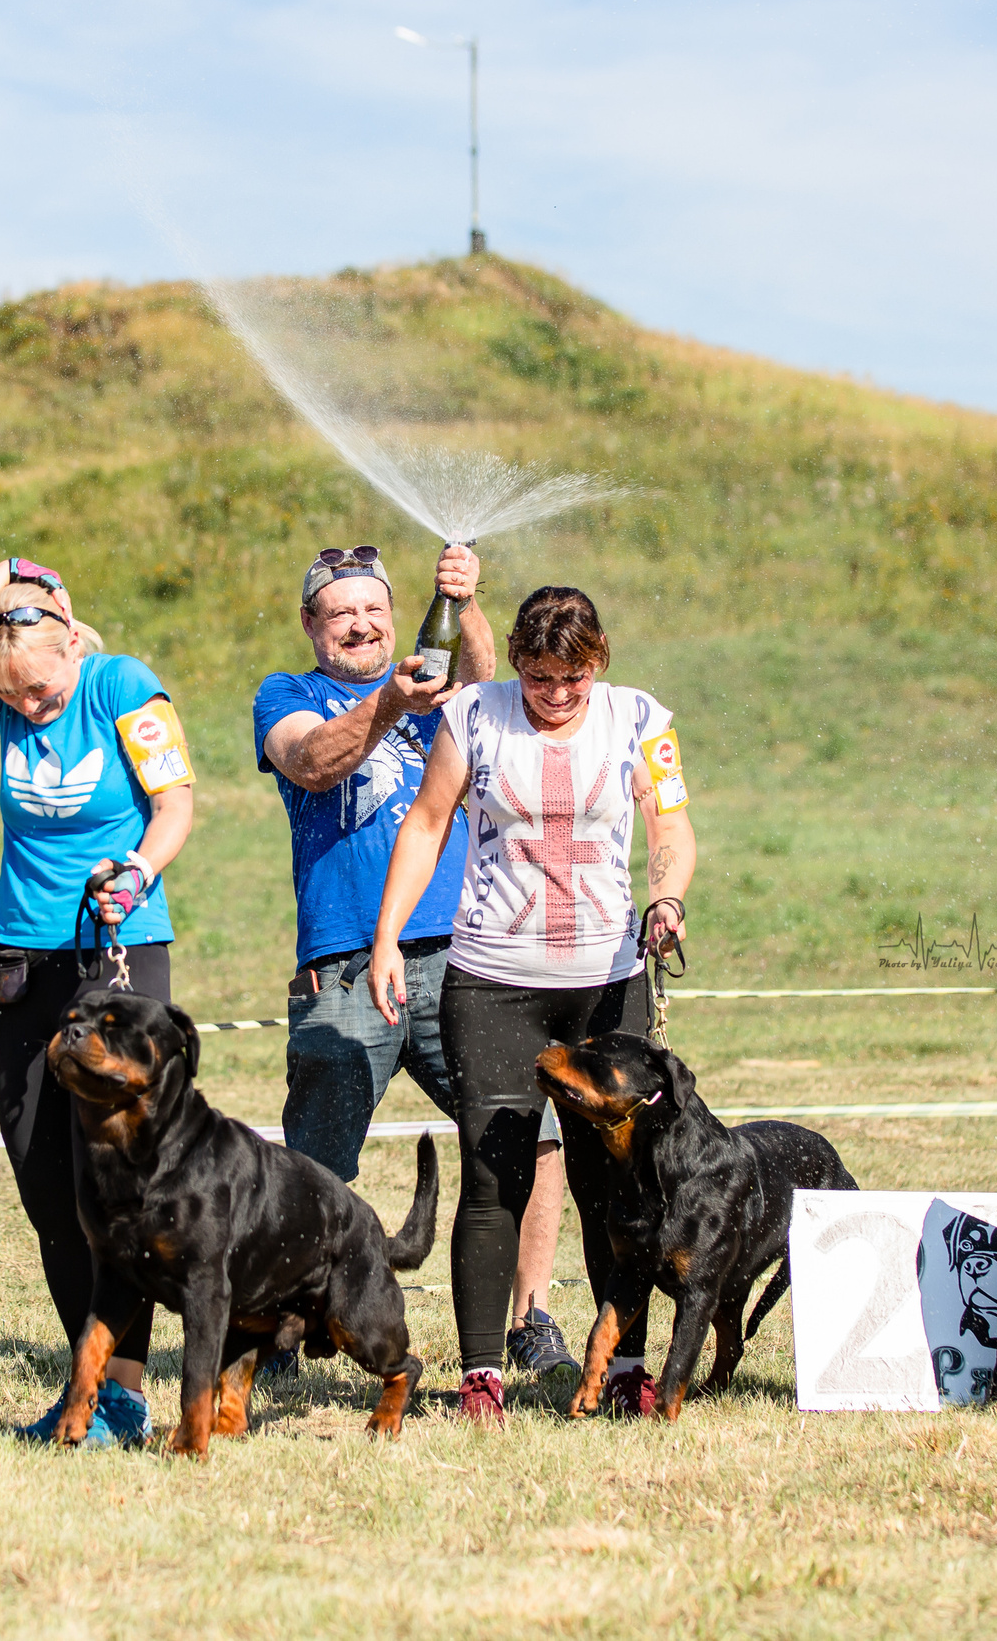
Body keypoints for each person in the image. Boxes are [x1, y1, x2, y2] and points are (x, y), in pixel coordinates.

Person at [367, 586, 697, 1423]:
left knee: (613, 1183)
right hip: (492, 979)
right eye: (543, 676)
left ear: (600, 661)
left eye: (575, 677)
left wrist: (666, 901)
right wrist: (386, 939)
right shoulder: (474, 714)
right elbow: (426, 823)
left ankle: (622, 1362)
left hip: (605, 981)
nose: (558, 694)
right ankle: (482, 1373)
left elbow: (671, 827)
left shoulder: (639, 718)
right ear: (517, 660)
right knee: (493, 1173)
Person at [252, 545, 578, 1383]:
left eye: (375, 609)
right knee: (312, 1168)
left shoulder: (447, 695)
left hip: (464, 954)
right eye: (340, 613)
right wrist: (389, 702)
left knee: (529, 1133)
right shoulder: (288, 696)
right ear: (311, 625)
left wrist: (462, 598)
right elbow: (312, 761)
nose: (360, 624)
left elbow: (481, 668)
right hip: (347, 963)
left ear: (397, 615)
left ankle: (533, 1318)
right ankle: (286, 1330)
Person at [0, 556, 194, 1448]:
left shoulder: (120, 684)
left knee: (117, 1182)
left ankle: (123, 1392)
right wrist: (6, 570)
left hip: (119, 950)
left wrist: (140, 868)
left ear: (72, 643)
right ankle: (88, 1379)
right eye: (13, 697)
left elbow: (176, 801)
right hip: (22, 958)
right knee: (45, 1181)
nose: (29, 708)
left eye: (39, 690)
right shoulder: (1, 691)